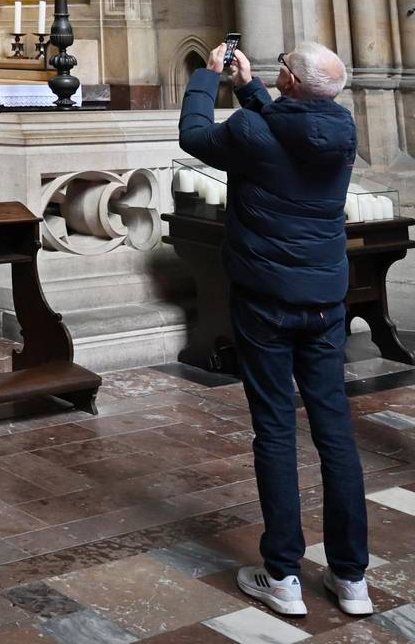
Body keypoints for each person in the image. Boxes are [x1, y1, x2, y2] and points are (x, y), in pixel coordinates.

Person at [180, 42, 370, 620]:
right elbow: (291, 131)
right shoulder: (342, 128)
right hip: (324, 301)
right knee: (335, 434)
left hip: (265, 301)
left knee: (276, 429)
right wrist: (251, 88)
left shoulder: (248, 132)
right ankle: (351, 577)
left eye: (282, 65)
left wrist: (208, 78)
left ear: (288, 81)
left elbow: (194, 136)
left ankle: (283, 575)